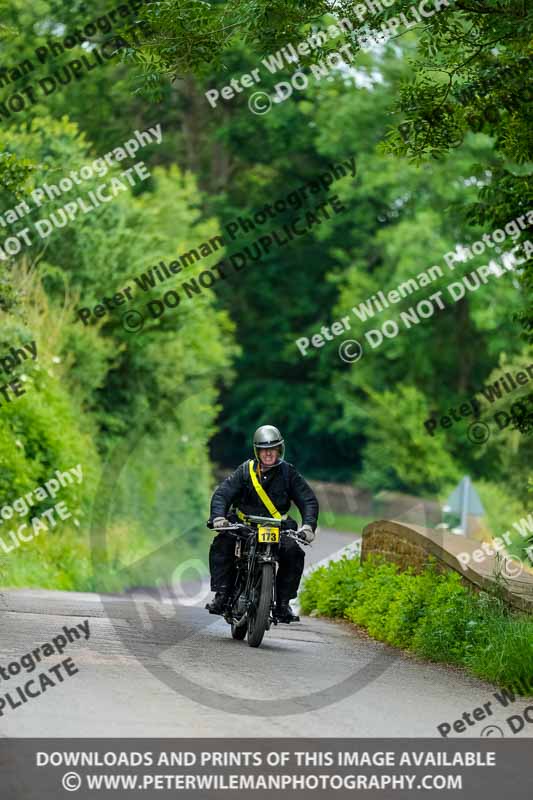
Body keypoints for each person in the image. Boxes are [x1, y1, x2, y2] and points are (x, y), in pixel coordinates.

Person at [206, 425, 319, 622]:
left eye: (273, 448)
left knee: (293, 551)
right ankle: (222, 595)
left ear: (279, 450)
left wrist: (308, 526)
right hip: (245, 526)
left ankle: (283, 604)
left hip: (277, 528)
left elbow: (308, 500)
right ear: (257, 451)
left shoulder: (288, 473)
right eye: (264, 449)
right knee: (223, 544)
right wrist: (218, 518)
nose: (268, 453)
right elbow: (223, 494)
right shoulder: (245, 471)